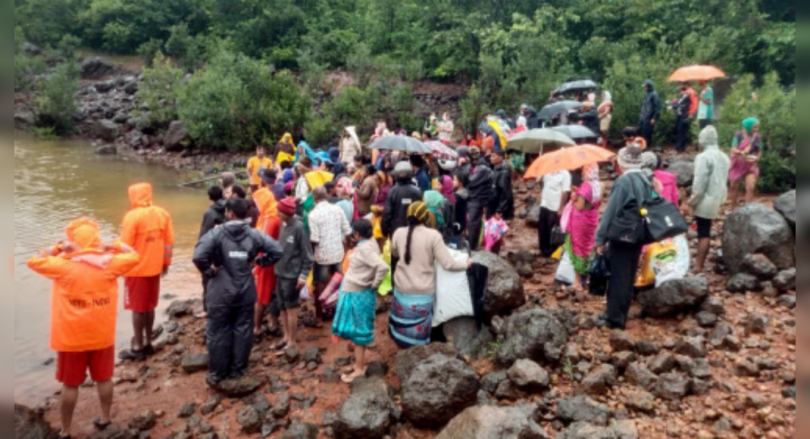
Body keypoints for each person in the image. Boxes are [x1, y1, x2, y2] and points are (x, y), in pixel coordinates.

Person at [27, 219, 140, 439]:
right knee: (104, 378)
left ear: (73, 242)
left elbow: (33, 260)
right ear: (96, 241)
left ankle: (65, 430)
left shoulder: (62, 266)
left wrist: (58, 247)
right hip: (102, 335)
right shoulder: (110, 263)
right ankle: (106, 419)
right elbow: (135, 255)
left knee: (70, 385)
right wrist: (115, 245)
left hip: (72, 339)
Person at [193, 198, 283, 386]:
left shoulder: (215, 234)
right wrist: (258, 262)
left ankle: (218, 373)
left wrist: (210, 272)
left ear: (230, 213)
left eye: (226, 211)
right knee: (243, 329)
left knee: (218, 330)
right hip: (245, 290)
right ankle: (238, 369)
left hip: (220, 291)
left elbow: (198, 256)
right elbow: (277, 251)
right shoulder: (254, 234)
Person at [389, 202, 471, 348]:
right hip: (423, 293)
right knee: (417, 335)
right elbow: (448, 264)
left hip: (401, 289)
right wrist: (466, 264)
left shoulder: (398, 233)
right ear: (426, 217)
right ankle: (418, 353)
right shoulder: (433, 236)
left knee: (402, 325)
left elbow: (394, 253)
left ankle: (401, 347)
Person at [595, 146, 650, 330]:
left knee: (618, 276)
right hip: (638, 233)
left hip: (621, 234)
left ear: (622, 162)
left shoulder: (623, 181)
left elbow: (611, 211)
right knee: (628, 274)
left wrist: (600, 239)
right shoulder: (645, 179)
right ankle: (621, 313)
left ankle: (614, 319)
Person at [119, 183, 174, 361]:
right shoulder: (162, 214)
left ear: (133, 196)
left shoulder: (132, 217)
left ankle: (137, 347)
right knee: (150, 306)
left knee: (137, 309)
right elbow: (169, 242)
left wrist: (117, 267)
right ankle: (149, 342)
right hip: (155, 268)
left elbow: (124, 246)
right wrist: (165, 263)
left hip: (136, 270)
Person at [332, 219, 390, 382]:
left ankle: (359, 369)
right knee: (358, 331)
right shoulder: (370, 243)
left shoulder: (365, 249)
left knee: (358, 332)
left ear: (358, 234)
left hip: (358, 293)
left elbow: (383, 267)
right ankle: (358, 363)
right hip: (358, 291)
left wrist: (374, 284)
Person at [687, 125, 731, 273]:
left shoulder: (703, 157)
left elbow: (699, 183)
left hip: (705, 198)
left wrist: (692, 201)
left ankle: (698, 265)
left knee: (703, 232)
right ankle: (700, 264)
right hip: (718, 197)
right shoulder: (724, 157)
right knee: (705, 229)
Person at [273, 197, 314, 351]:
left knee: (291, 308)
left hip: (291, 275)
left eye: (280, 211)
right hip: (280, 272)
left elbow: (308, 255)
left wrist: (303, 276)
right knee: (282, 307)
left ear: (287, 213)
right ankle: (285, 336)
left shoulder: (298, 228)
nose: (277, 213)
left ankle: (292, 341)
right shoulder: (283, 225)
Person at [309, 186, 352, 320]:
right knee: (339, 282)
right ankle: (336, 312)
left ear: (314, 198)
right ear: (326, 196)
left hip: (322, 255)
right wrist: (347, 247)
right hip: (338, 252)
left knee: (320, 285)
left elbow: (314, 239)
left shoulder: (313, 214)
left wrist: (310, 253)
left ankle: (319, 316)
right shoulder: (337, 209)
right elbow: (348, 230)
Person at [564, 164, 603, 291]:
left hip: (581, 220)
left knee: (578, 247)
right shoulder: (598, 185)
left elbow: (579, 206)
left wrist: (573, 197)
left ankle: (577, 282)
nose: (582, 173)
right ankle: (585, 279)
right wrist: (578, 192)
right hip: (592, 217)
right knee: (588, 247)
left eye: (584, 171)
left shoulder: (586, 187)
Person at [728, 117, 762, 210]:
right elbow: (733, 148)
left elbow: (759, 150)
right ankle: (733, 208)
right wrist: (740, 152)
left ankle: (747, 210)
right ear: (748, 126)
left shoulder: (757, 136)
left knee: (750, 187)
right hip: (738, 164)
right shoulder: (738, 135)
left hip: (750, 166)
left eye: (757, 128)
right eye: (754, 127)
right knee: (734, 186)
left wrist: (756, 160)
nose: (756, 130)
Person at [382, 161, 423, 239]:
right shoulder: (417, 191)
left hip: (396, 231)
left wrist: (384, 230)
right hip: (414, 231)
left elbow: (387, 213)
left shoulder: (393, 191)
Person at [538, 169, 571, 257]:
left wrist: (561, 208)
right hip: (544, 203)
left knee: (552, 229)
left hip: (555, 205)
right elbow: (541, 184)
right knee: (542, 228)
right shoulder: (546, 171)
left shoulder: (565, 174)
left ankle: (552, 251)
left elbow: (565, 192)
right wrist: (541, 178)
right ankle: (543, 249)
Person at [466, 147, 493, 251]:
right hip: (473, 197)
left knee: (473, 224)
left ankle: (472, 247)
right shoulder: (474, 166)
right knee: (471, 223)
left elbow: (471, 181)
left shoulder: (482, 169)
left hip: (478, 199)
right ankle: (471, 244)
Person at [489, 150, 514, 221]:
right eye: (491, 156)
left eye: (493, 156)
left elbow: (505, 193)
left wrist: (499, 210)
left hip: (499, 207)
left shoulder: (503, 172)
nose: (491, 158)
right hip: (494, 204)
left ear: (500, 158)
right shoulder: (495, 169)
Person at [639, 79, 661, 148]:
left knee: (647, 134)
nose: (644, 88)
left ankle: (647, 147)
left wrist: (654, 118)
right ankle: (643, 147)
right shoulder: (647, 94)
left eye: (645, 86)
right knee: (641, 132)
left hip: (649, 118)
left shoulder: (654, 95)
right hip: (644, 117)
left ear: (649, 86)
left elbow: (657, 107)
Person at [451, 170, 470, 248]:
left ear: (461, 182)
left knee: (454, 244)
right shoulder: (463, 193)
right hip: (461, 223)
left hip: (457, 224)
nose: (452, 182)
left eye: (455, 180)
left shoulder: (458, 196)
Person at [674, 84, 692, 153]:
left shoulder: (689, 93)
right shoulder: (681, 94)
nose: (680, 86)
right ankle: (678, 146)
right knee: (678, 129)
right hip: (679, 114)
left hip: (684, 114)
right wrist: (674, 104)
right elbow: (679, 103)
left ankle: (681, 147)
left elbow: (693, 103)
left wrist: (691, 113)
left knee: (682, 130)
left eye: (681, 85)